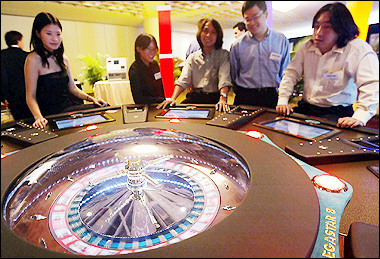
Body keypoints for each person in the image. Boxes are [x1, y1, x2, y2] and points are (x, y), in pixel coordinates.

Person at [276, 3, 379, 128]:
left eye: (326, 27)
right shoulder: (306, 47)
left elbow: (371, 84)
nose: (318, 33)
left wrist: (360, 116)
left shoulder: (358, 49)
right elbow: (291, 73)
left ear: (341, 29)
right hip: (307, 108)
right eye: (316, 27)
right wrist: (283, 101)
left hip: (337, 113)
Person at [24, 12, 107, 129]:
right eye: (49, 34)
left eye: (58, 34)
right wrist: (38, 117)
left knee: (103, 107)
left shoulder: (63, 58)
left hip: (67, 109)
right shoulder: (33, 59)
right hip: (50, 113)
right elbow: (30, 96)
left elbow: (72, 88)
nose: (55, 39)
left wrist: (92, 99)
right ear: (38, 34)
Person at [157, 18, 232, 112]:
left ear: (218, 36)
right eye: (205, 31)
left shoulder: (223, 55)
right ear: (200, 33)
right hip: (195, 99)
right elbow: (183, 80)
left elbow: (224, 79)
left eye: (213, 32)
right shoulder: (192, 57)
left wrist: (223, 99)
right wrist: (172, 98)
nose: (208, 35)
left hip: (214, 99)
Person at [230, 1, 290, 108]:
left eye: (255, 17)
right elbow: (234, 73)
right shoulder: (237, 45)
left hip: (270, 96)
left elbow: (285, 71)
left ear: (266, 14)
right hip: (245, 96)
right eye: (248, 19)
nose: (252, 22)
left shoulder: (281, 40)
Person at [1, 30, 33, 120]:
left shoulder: (2, 56)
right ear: (19, 41)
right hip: (28, 93)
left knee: (20, 121)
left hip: (12, 96)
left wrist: (3, 96)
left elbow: (2, 78)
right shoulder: (27, 56)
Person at [129, 33, 165, 105]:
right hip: (147, 108)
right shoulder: (135, 69)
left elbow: (160, 87)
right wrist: (159, 100)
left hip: (160, 105)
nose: (153, 53)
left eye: (154, 49)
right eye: (149, 49)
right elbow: (138, 99)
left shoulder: (154, 65)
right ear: (138, 49)